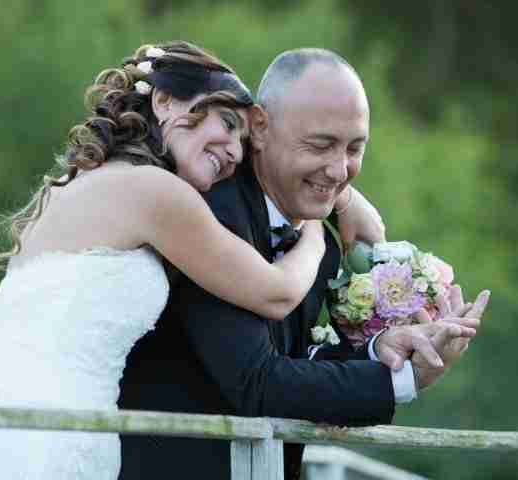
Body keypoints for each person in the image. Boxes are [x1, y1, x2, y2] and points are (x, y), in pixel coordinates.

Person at [0, 42, 384, 480]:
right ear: (163, 101)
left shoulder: (84, 183)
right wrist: (316, 232)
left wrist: (343, 196)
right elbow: (276, 293)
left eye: (242, 139)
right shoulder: (157, 193)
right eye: (226, 123)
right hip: (53, 445)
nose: (235, 151)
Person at [118, 48, 488, 480]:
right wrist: (402, 381)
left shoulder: (322, 240)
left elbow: (292, 358)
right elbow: (257, 383)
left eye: (355, 148)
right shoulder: (211, 208)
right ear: (259, 127)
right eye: (321, 145)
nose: (339, 170)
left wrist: (386, 352)